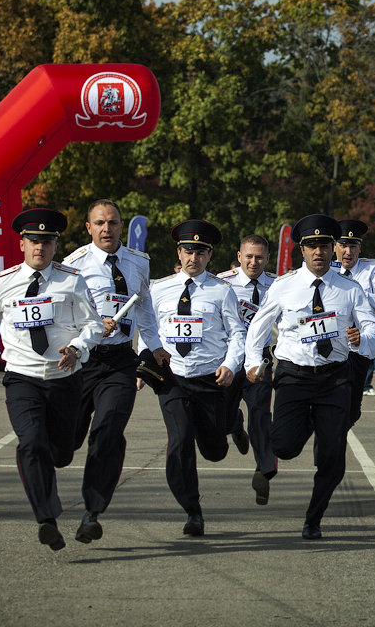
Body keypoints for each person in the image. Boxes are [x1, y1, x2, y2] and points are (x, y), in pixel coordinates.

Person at [243, 214, 375, 539]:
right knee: (286, 446)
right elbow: (259, 327)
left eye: (324, 245)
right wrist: (252, 360)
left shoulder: (349, 290)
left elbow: (374, 328)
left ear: (333, 248)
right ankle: (294, 425)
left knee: (333, 458)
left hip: (335, 378)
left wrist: (363, 339)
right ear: (301, 250)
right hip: (294, 376)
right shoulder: (284, 286)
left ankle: (313, 519)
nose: (318, 251)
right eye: (311, 245)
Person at [0, 208, 103, 551]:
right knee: (31, 443)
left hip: (65, 379)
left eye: (46, 242)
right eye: (33, 241)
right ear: (22, 243)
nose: (40, 248)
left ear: (55, 245)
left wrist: (77, 346)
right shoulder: (3, 282)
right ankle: (46, 518)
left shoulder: (71, 280)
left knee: (60, 452)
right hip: (22, 378)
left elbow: (92, 324)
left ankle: (56, 470)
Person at [62, 199, 167, 543]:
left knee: (107, 431)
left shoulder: (138, 263)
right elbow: (63, 316)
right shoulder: (73, 266)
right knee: (67, 441)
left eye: (113, 222)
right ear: (88, 228)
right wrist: (91, 325)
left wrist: (154, 347)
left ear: (122, 226)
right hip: (83, 361)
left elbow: (146, 309)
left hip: (121, 362)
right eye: (100, 223)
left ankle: (92, 510)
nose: (107, 229)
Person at [147, 220, 246, 536]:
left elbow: (237, 333)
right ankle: (192, 510)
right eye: (188, 251)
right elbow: (147, 329)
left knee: (214, 451)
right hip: (173, 378)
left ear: (209, 255)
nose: (194, 258)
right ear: (179, 252)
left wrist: (231, 364)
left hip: (210, 380)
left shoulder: (222, 291)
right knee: (179, 441)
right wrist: (145, 359)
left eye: (201, 252)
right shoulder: (159, 289)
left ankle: (233, 423)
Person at [217, 234, 279, 505]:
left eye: (260, 257)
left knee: (261, 414)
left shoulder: (278, 285)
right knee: (222, 417)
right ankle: (234, 427)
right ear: (239, 256)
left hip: (261, 361)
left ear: (268, 258)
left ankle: (264, 471)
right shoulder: (222, 283)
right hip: (229, 357)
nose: (254, 262)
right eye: (249, 257)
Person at [334, 219, 375, 408]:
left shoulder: (373, 269)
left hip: (359, 349)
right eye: (343, 245)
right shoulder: (325, 270)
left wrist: (358, 292)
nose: (348, 252)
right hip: (332, 348)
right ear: (334, 247)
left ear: (360, 248)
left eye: (353, 246)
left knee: (352, 409)